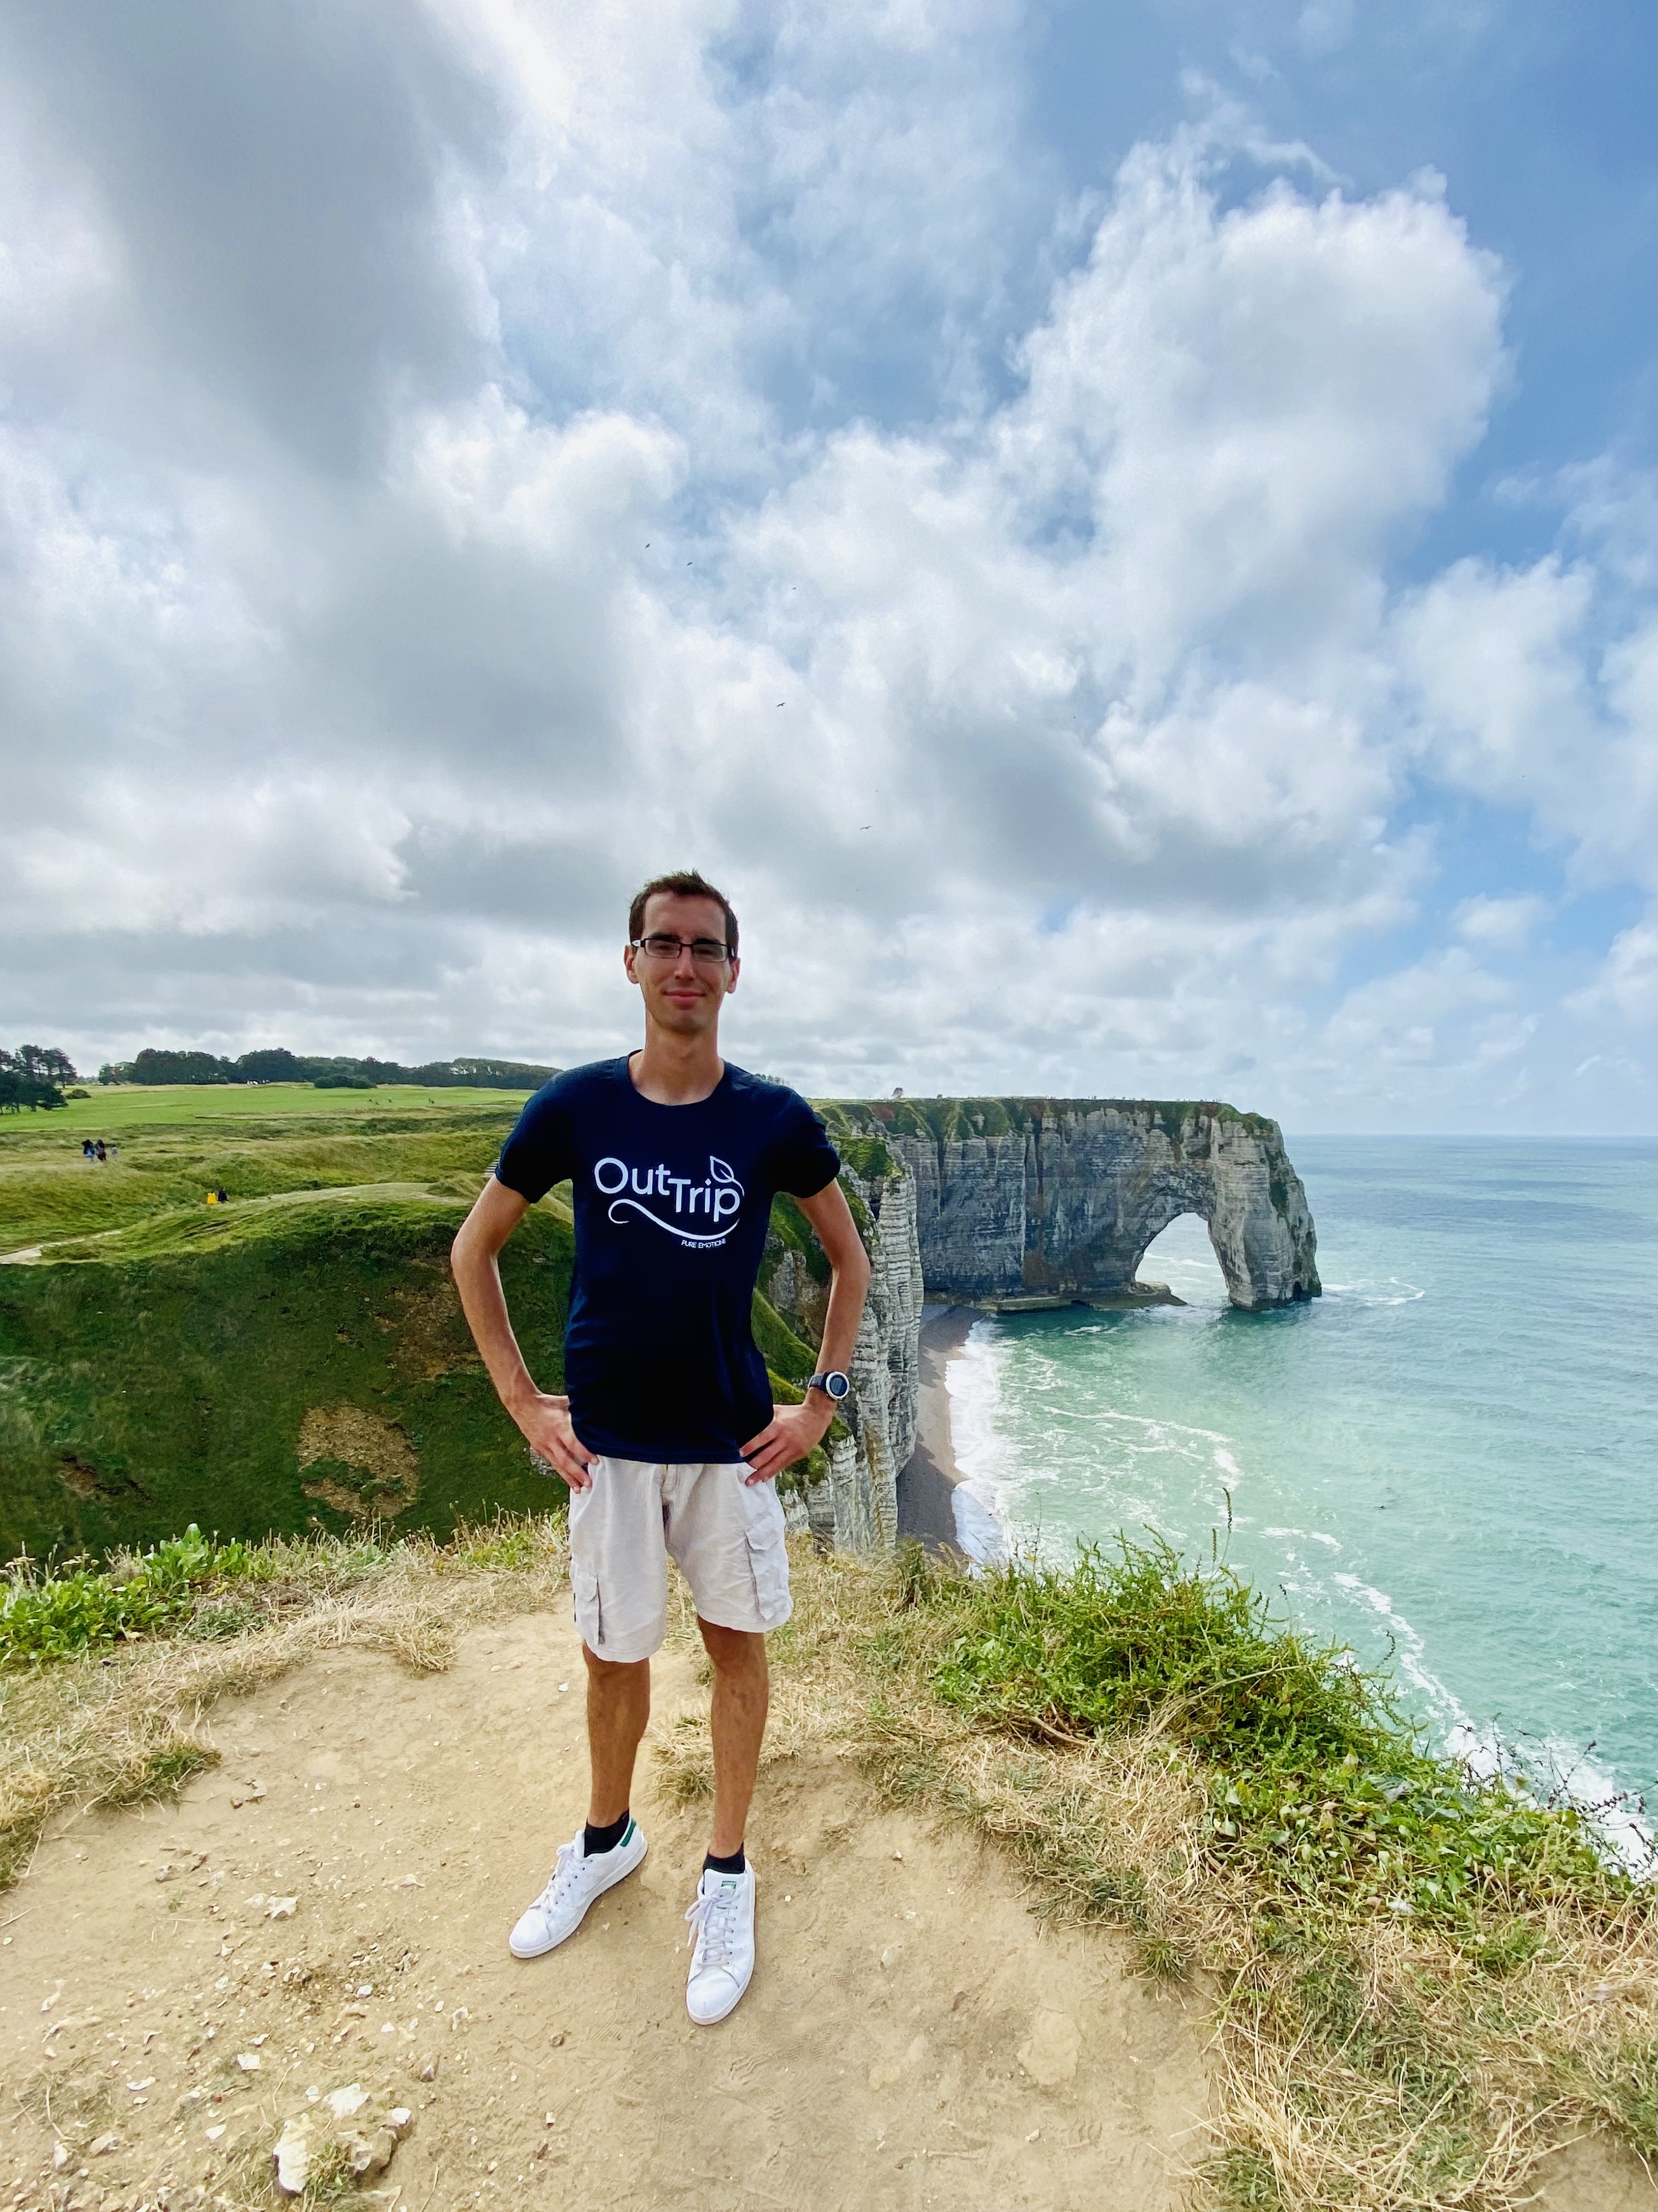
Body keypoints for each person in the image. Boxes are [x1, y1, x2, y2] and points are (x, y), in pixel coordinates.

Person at [450, 870, 870, 2025]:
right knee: (612, 1659)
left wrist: (820, 1403)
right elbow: (472, 1250)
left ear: (734, 972)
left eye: (706, 950)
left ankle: (726, 1874)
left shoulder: (772, 1119)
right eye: (664, 945)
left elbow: (851, 1263)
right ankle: (607, 1840)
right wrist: (526, 1403)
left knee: (738, 1654)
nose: (685, 968)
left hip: (731, 1450)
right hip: (613, 1450)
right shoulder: (577, 1108)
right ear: (630, 962)